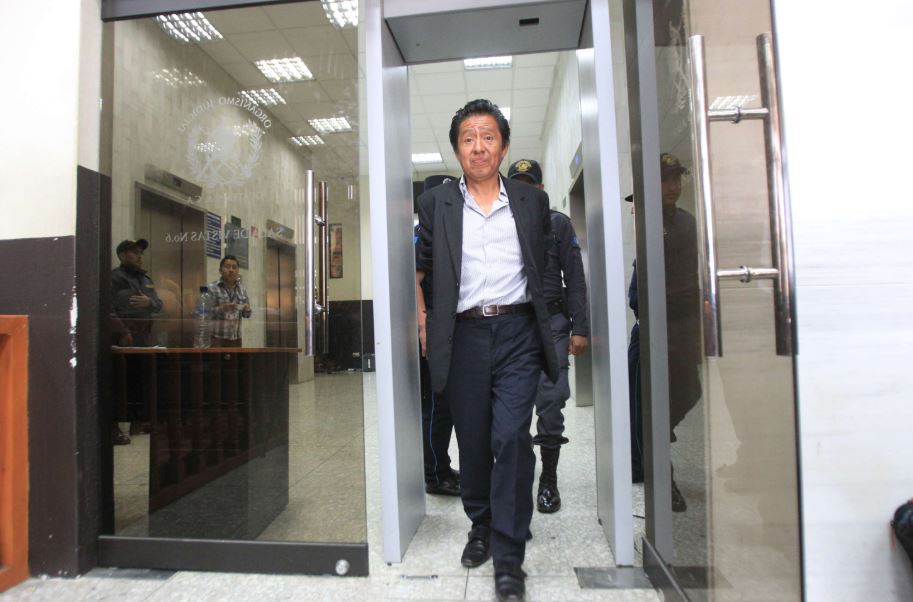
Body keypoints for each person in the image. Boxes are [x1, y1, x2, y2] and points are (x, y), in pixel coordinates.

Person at [415, 99, 558, 602]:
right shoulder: (436, 204)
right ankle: (481, 524)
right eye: (468, 138)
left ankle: (509, 556)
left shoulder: (530, 201)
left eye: (488, 137)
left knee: (512, 437)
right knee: (473, 441)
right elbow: (421, 267)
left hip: (518, 333)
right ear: (457, 149)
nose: (478, 147)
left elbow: (543, 267)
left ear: (504, 146)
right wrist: (423, 319)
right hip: (464, 335)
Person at [506, 159, 589, 514]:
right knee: (511, 405)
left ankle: (549, 480)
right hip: (513, 323)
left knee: (552, 397)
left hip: (552, 321)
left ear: (541, 189)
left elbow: (576, 278)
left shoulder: (558, 224)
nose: (524, 190)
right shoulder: (500, 224)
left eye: (530, 184)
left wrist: (580, 327)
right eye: (517, 184)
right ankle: (517, 475)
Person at [626, 152, 701, 512]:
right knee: (647, 406)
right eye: (664, 180)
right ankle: (661, 477)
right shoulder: (646, 222)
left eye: (676, 179)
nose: (672, 186)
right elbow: (638, 285)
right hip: (653, 327)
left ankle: (657, 436)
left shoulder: (687, 223)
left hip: (684, 326)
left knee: (690, 390)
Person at [415, 175, 460, 497]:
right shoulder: (423, 235)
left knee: (446, 406)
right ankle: (434, 475)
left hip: (451, 327)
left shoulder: (448, 231)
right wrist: (424, 328)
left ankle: (441, 466)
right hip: (432, 329)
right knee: (436, 407)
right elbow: (416, 282)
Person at [110, 238, 164, 444]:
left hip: (144, 336)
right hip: (124, 337)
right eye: (135, 252)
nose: (140, 256)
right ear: (123, 255)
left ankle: (137, 422)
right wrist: (122, 331)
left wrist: (149, 302)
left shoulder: (145, 279)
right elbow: (108, 309)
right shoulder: (115, 278)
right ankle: (113, 427)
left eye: (141, 253)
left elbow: (159, 304)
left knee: (140, 379)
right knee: (120, 381)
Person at [205, 255, 252, 348]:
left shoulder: (242, 289)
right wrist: (221, 309)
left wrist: (247, 309)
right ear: (220, 270)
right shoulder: (210, 288)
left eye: (234, 267)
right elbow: (203, 313)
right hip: (217, 339)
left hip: (236, 339)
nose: (231, 270)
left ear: (238, 271)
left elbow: (247, 315)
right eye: (227, 267)